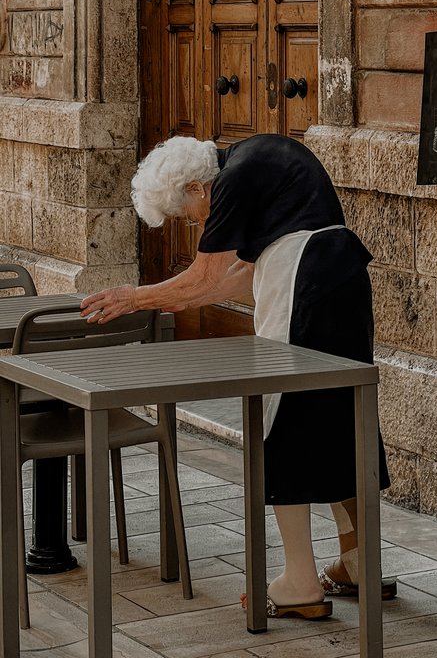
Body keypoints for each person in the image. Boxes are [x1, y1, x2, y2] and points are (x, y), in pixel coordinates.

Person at [80, 133, 394, 619]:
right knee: (342, 415)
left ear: (196, 188)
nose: (195, 222)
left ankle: (299, 582)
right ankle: (358, 562)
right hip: (339, 281)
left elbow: (205, 277)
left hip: (301, 287)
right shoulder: (259, 157)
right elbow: (233, 278)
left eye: (188, 214)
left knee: (281, 423)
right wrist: (172, 297)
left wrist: (135, 297)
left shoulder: (230, 181)